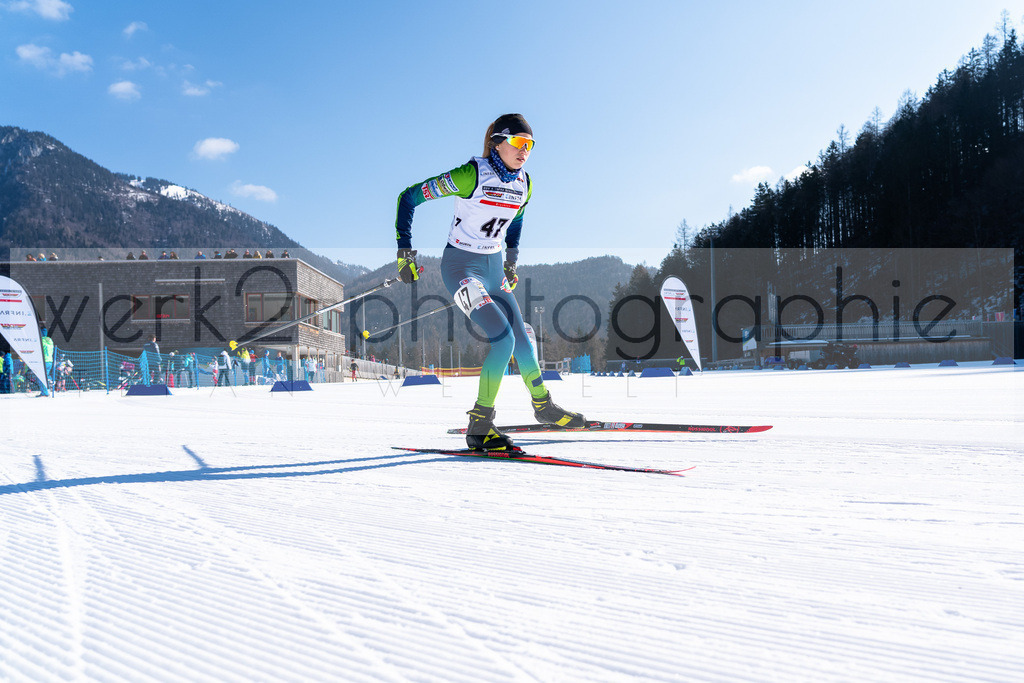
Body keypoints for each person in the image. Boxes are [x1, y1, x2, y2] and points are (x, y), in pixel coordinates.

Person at [394, 113, 585, 450]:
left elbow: (515, 223)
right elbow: (408, 198)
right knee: (503, 340)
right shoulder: (471, 175)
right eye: (518, 142)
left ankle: (544, 407)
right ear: (498, 141)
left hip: (494, 270)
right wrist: (404, 252)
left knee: (524, 337)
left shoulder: (525, 183)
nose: (525, 150)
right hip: (461, 268)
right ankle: (479, 425)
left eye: (530, 145)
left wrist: (511, 262)